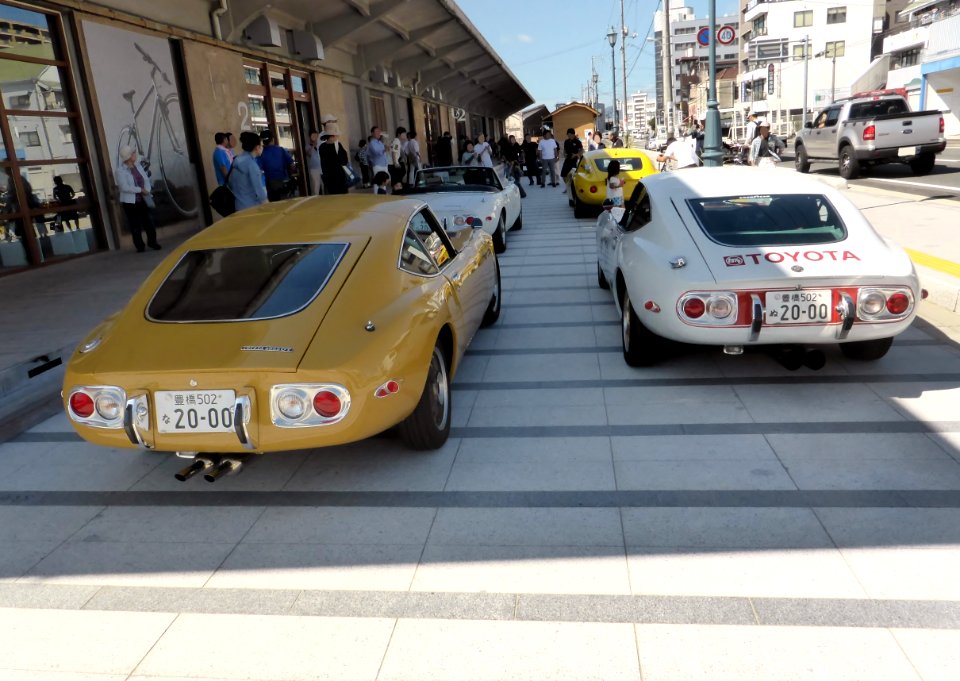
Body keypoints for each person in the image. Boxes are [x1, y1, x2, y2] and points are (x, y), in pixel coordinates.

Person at [115, 145, 159, 252]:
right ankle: (139, 245)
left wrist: (147, 190)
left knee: (149, 222)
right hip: (130, 202)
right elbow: (124, 187)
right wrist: (140, 190)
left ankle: (152, 242)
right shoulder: (120, 171)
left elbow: (146, 179)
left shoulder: (138, 166)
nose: (135, 154)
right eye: (133, 153)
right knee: (135, 224)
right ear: (129, 157)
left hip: (143, 199)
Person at [229, 131, 268, 211]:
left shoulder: (236, 160)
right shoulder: (251, 165)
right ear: (257, 147)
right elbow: (259, 191)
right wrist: (268, 206)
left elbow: (230, 182)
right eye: (261, 145)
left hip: (238, 205)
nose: (262, 147)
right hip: (252, 207)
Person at [259, 130, 295, 201]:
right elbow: (292, 165)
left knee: (275, 206)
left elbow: (259, 169)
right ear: (272, 139)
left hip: (271, 183)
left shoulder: (261, 154)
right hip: (284, 181)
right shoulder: (281, 150)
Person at [319, 123, 351, 194]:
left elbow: (323, 164)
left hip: (329, 179)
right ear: (333, 135)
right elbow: (344, 161)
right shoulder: (338, 145)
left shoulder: (322, 147)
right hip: (340, 178)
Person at [560, 127, 583, 194]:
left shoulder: (577, 142)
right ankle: (568, 186)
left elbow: (581, 150)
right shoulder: (566, 141)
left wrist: (576, 155)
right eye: (568, 134)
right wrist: (564, 154)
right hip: (567, 160)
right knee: (563, 174)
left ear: (573, 134)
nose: (569, 135)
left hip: (574, 161)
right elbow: (564, 150)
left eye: (570, 134)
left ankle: (572, 188)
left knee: (573, 176)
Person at [305, 129, 323, 195]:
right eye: (313, 136)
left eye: (316, 136)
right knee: (316, 185)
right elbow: (309, 154)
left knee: (324, 183)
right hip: (314, 168)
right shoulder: (308, 145)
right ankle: (316, 198)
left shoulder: (321, 143)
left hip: (322, 167)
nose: (315, 137)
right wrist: (313, 145)